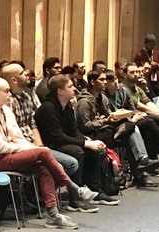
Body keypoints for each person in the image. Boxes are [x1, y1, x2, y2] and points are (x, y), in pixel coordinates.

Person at [0, 78, 99, 230]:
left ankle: (53, 215)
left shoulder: (6, 111)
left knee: (43, 168)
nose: (9, 94)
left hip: (12, 155)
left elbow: (18, 137)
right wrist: (33, 150)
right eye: (6, 91)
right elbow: (0, 147)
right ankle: (74, 188)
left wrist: (32, 148)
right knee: (43, 154)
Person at [37, 75, 120, 206]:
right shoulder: (48, 108)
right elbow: (57, 137)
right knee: (77, 151)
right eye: (70, 86)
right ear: (60, 91)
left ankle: (95, 190)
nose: (74, 88)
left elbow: (73, 130)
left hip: (64, 142)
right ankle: (75, 198)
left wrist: (85, 139)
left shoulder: (67, 106)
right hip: (51, 145)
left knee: (98, 151)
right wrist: (85, 143)